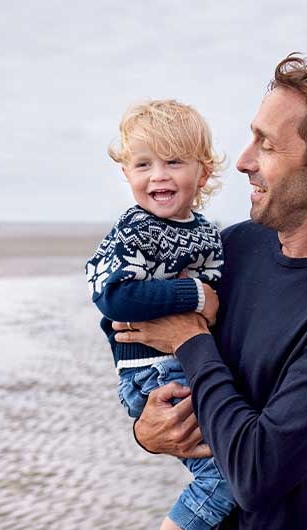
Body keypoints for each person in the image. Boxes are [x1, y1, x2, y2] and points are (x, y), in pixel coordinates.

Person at [113, 47, 307, 529]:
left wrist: (190, 339)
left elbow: (257, 473)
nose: (243, 161)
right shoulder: (235, 246)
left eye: (267, 145)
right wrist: (147, 430)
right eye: (252, 138)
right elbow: (158, 361)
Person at [85, 99, 235, 530]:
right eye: (143, 164)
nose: (158, 175)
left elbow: (215, 305)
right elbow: (116, 298)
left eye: (173, 162)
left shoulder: (206, 231)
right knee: (225, 473)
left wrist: (209, 305)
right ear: (127, 173)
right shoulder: (135, 230)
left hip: (179, 362)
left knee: (239, 450)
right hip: (149, 372)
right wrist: (196, 295)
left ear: (203, 173)